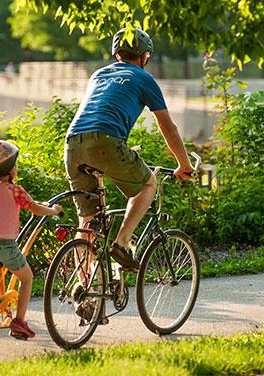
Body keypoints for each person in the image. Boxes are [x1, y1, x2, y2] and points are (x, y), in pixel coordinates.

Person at [64, 27, 194, 272]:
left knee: (87, 222)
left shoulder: (98, 75)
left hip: (72, 144)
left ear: (117, 54)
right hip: (106, 141)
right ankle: (122, 243)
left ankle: (84, 293)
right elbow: (169, 128)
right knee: (148, 184)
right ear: (144, 56)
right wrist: (183, 165)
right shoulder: (143, 78)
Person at [0, 139, 62, 340]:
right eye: (14, 165)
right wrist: (53, 211)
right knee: (27, 278)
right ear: (9, 170)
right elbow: (32, 207)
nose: (16, 168)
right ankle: (19, 322)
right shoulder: (15, 190)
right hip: (5, 247)